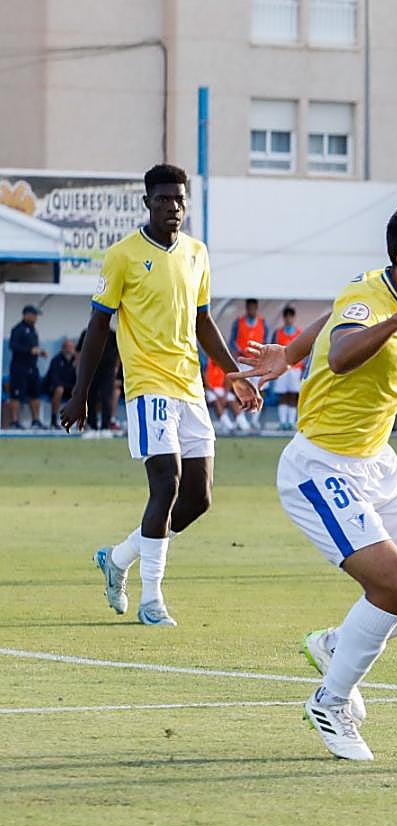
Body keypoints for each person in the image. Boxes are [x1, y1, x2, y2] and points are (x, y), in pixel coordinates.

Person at [228, 196, 397, 761]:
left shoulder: (385, 291)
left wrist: (286, 353)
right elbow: (340, 354)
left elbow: (332, 315)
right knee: (391, 584)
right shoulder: (383, 301)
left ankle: (337, 646)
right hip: (321, 466)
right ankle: (330, 701)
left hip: (376, 461)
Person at [60, 164, 261, 627]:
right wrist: (80, 394)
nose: (173, 207)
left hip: (190, 388)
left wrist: (234, 376)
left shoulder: (197, 253)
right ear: (147, 202)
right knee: (166, 485)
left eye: (180, 200)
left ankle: (119, 558)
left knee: (198, 499)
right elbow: (97, 329)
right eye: (164, 199)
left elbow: (203, 321)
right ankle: (152, 601)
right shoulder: (122, 256)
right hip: (148, 386)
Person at [229, 298, 268, 431]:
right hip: (243, 361)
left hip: (257, 362)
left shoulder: (263, 323)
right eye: (249, 307)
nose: (251, 310)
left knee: (259, 389)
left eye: (253, 307)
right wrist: (237, 352)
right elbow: (232, 341)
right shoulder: (238, 322)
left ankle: (255, 420)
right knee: (241, 389)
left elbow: (266, 342)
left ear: (256, 308)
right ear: (246, 308)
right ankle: (242, 419)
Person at [7, 304, 48, 428]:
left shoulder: (33, 330)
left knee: (35, 394)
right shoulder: (18, 329)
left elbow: (34, 348)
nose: (36, 317)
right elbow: (13, 346)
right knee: (16, 395)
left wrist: (40, 352)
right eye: (34, 315)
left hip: (32, 368)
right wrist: (29, 350)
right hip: (19, 368)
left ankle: (35, 420)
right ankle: (14, 421)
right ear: (27, 315)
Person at [77, 325, 121, 437]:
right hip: (91, 369)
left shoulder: (112, 334)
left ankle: (106, 427)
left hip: (108, 370)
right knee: (91, 397)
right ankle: (92, 426)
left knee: (106, 397)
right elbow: (79, 351)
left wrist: (116, 368)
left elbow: (119, 352)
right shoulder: (86, 332)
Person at [272, 305, 304, 430]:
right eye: (287, 317)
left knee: (293, 395)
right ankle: (282, 421)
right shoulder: (278, 333)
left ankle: (291, 422)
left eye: (291, 317)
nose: (289, 319)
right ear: (284, 318)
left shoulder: (299, 333)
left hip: (296, 368)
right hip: (282, 368)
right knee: (282, 395)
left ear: (294, 318)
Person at [42, 337, 77, 422]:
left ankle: (82, 421)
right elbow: (54, 379)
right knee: (59, 389)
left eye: (71, 347)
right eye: (67, 347)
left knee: (83, 391)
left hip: (71, 389)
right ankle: (53, 420)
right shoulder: (56, 360)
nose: (69, 350)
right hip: (55, 389)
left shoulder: (78, 361)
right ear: (62, 348)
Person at [202, 353, 236, 434]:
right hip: (210, 390)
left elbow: (228, 380)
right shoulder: (206, 363)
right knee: (216, 401)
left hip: (221, 390)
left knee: (232, 400)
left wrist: (225, 394)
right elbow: (206, 382)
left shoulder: (223, 364)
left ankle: (243, 425)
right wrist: (218, 395)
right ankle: (229, 426)